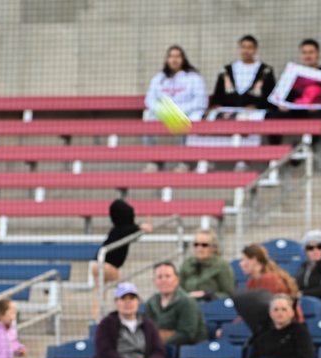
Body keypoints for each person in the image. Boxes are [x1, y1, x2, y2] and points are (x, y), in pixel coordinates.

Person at [214, 293, 314, 358]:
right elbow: (255, 357)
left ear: (291, 312)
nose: (279, 313)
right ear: (270, 313)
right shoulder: (264, 333)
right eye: (276, 310)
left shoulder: (300, 332)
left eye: (284, 309)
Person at [87, 282, 172, 358]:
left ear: (138, 302)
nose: (128, 302)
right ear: (116, 303)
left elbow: (158, 352)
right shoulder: (106, 324)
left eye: (132, 298)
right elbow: (105, 353)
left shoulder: (148, 324)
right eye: (123, 299)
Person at [211, 34, 278, 169]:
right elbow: (218, 94)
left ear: (255, 50)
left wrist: (257, 105)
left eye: (249, 47)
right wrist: (218, 105)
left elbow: (271, 95)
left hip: (255, 112)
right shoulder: (227, 70)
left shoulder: (266, 71)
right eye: (243, 47)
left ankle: (244, 159)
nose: (246, 50)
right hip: (229, 110)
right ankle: (208, 158)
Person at [142, 45, 209, 173]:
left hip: (186, 113)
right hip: (165, 113)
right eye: (171, 56)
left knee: (185, 121)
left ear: (183, 59)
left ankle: (184, 161)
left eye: (177, 56)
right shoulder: (159, 78)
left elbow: (201, 101)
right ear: (167, 59)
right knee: (149, 118)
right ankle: (153, 160)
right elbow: (149, 100)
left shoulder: (194, 78)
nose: (174, 60)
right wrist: (165, 110)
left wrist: (179, 111)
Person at [90, 199, 152, 320]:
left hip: (96, 264)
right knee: (124, 287)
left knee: (99, 293)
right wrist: (146, 225)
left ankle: (95, 320)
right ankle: (141, 309)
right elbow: (145, 229)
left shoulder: (117, 229)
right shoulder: (126, 229)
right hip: (106, 265)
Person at [142, 261, 208, 346]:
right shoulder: (150, 303)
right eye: (159, 277)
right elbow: (147, 330)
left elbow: (186, 334)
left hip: (186, 351)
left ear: (176, 279)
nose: (163, 280)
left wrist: (159, 344)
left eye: (168, 276)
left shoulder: (187, 302)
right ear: (154, 281)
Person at [178, 228, 236, 302]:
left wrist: (209, 295)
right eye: (196, 244)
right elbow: (178, 291)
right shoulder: (186, 264)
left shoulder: (221, 265)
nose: (199, 248)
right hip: (188, 306)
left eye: (204, 245)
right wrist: (187, 295)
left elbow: (230, 293)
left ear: (213, 247)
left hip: (212, 307)